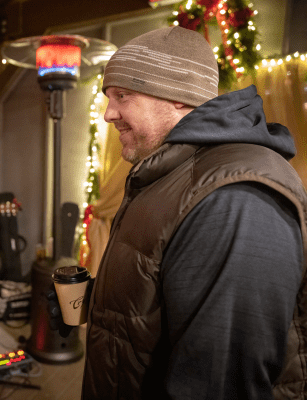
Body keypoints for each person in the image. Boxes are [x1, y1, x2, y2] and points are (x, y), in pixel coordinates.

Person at [73, 26, 307, 399]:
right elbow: (163, 296)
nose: (107, 113)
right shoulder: (170, 172)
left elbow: (217, 383)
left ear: (179, 97)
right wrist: (95, 302)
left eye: (123, 95)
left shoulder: (234, 199)